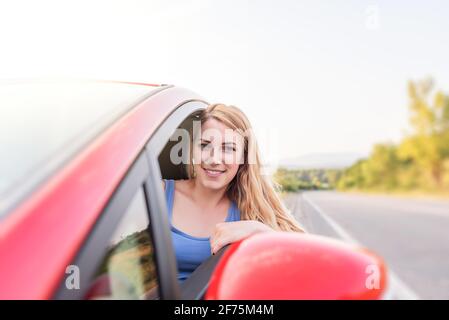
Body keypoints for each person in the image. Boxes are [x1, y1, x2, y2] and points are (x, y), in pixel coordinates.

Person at [162, 103, 304, 283]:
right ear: (191, 149)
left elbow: (302, 259)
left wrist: (260, 231)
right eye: (205, 145)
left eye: (228, 148)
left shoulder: (251, 207)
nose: (214, 159)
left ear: (243, 157)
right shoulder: (158, 193)